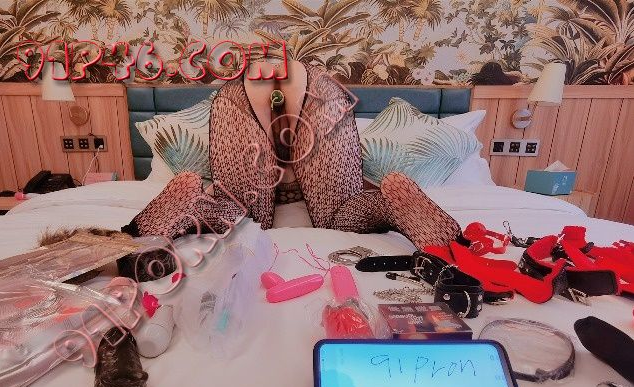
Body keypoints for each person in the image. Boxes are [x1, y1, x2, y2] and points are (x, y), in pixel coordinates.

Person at [123, 60, 463, 250]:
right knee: (348, 215)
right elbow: (354, 182)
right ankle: (394, 206)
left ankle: (188, 207)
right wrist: (375, 191)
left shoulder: (232, 95)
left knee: (235, 213)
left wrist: (208, 193)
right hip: (317, 91)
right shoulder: (323, 86)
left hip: (239, 99)